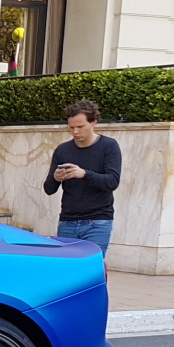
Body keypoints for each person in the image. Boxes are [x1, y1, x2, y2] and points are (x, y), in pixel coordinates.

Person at [43, 100, 121, 256]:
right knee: (67, 268)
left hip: (98, 221)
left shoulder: (109, 146)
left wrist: (84, 174)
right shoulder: (63, 150)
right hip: (68, 221)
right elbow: (48, 189)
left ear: (94, 122)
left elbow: (112, 181)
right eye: (71, 128)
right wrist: (56, 178)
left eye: (80, 127)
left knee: (91, 268)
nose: (75, 132)